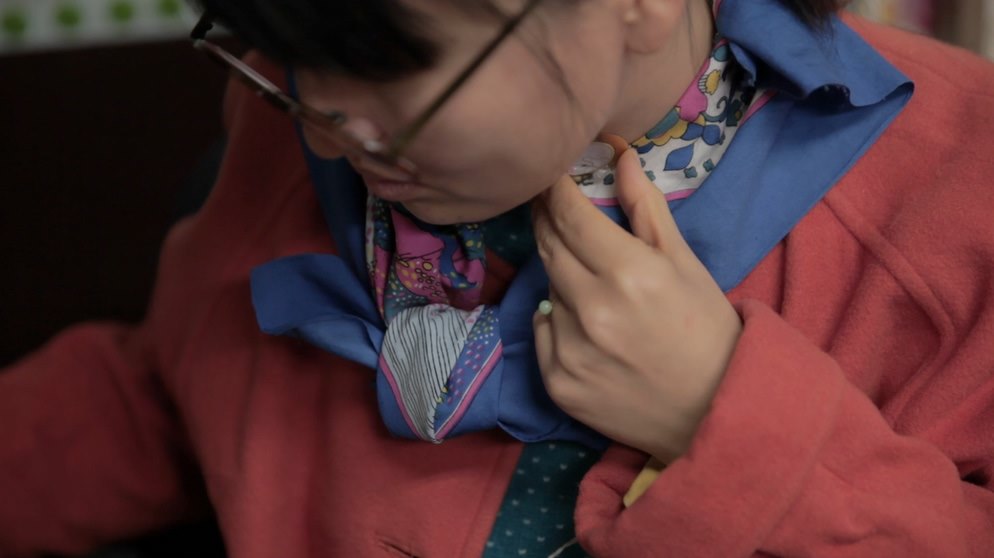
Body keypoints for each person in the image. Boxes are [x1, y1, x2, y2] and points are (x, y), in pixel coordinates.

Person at [2, 0, 993, 556]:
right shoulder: (294, 120)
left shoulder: (962, 190)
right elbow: (187, 388)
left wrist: (726, 419)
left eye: (391, 65)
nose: (326, 131)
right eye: (294, 62)